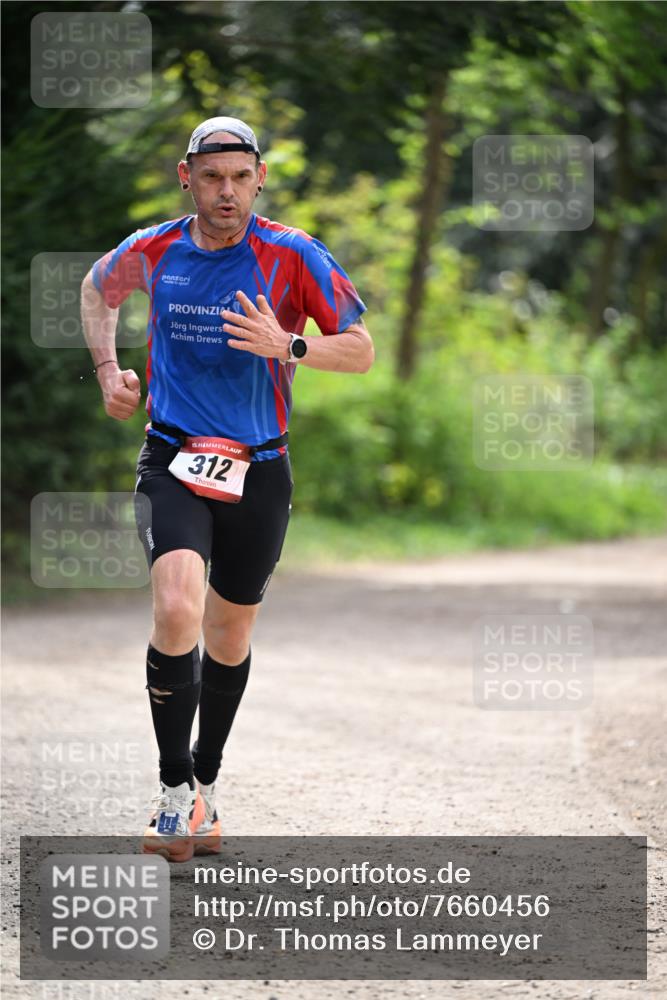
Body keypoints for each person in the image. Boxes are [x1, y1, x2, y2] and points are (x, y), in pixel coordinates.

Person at [81, 116, 374, 862]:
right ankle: (173, 796)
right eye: (212, 177)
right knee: (176, 607)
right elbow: (95, 287)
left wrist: (292, 344)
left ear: (260, 179)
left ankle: (206, 786)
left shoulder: (293, 254)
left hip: (260, 467)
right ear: (187, 177)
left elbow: (360, 350)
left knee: (228, 634)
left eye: (241, 177)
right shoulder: (156, 248)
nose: (226, 192)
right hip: (172, 456)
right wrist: (109, 372)